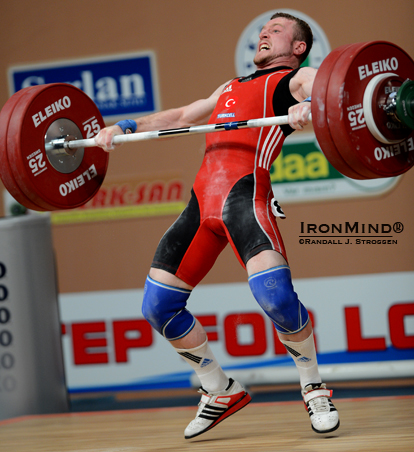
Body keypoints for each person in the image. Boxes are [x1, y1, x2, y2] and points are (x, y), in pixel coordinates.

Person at [95, 12, 340, 439]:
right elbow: (181, 115)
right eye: (264, 30)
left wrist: (309, 107)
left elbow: (323, 89)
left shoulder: (291, 80)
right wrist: (124, 126)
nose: (265, 33)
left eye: (277, 30)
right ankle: (218, 388)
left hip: (245, 199)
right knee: (158, 307)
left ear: (298, 47)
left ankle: (314, 385)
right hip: (199, 207)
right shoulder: (230, 87)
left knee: (276, 297)